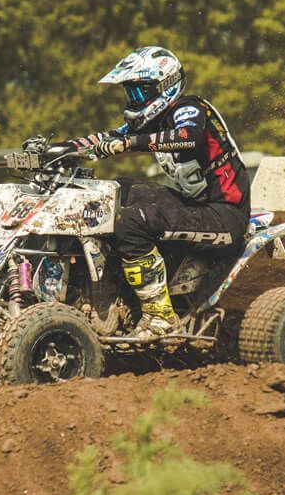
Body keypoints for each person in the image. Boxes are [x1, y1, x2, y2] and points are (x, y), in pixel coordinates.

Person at [67, 46, 251, 338]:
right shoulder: (153, 120)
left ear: (164, 86)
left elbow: (187, 137)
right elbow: (108, 137)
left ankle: (160, 315)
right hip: (194, 206)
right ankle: (102, 294)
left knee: (132, 220)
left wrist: (129, 144)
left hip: (225, 216)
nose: (133, 100)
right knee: (115, 192)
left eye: (139, 93)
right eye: (131, 94)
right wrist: (62, 149)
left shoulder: (190, 108)